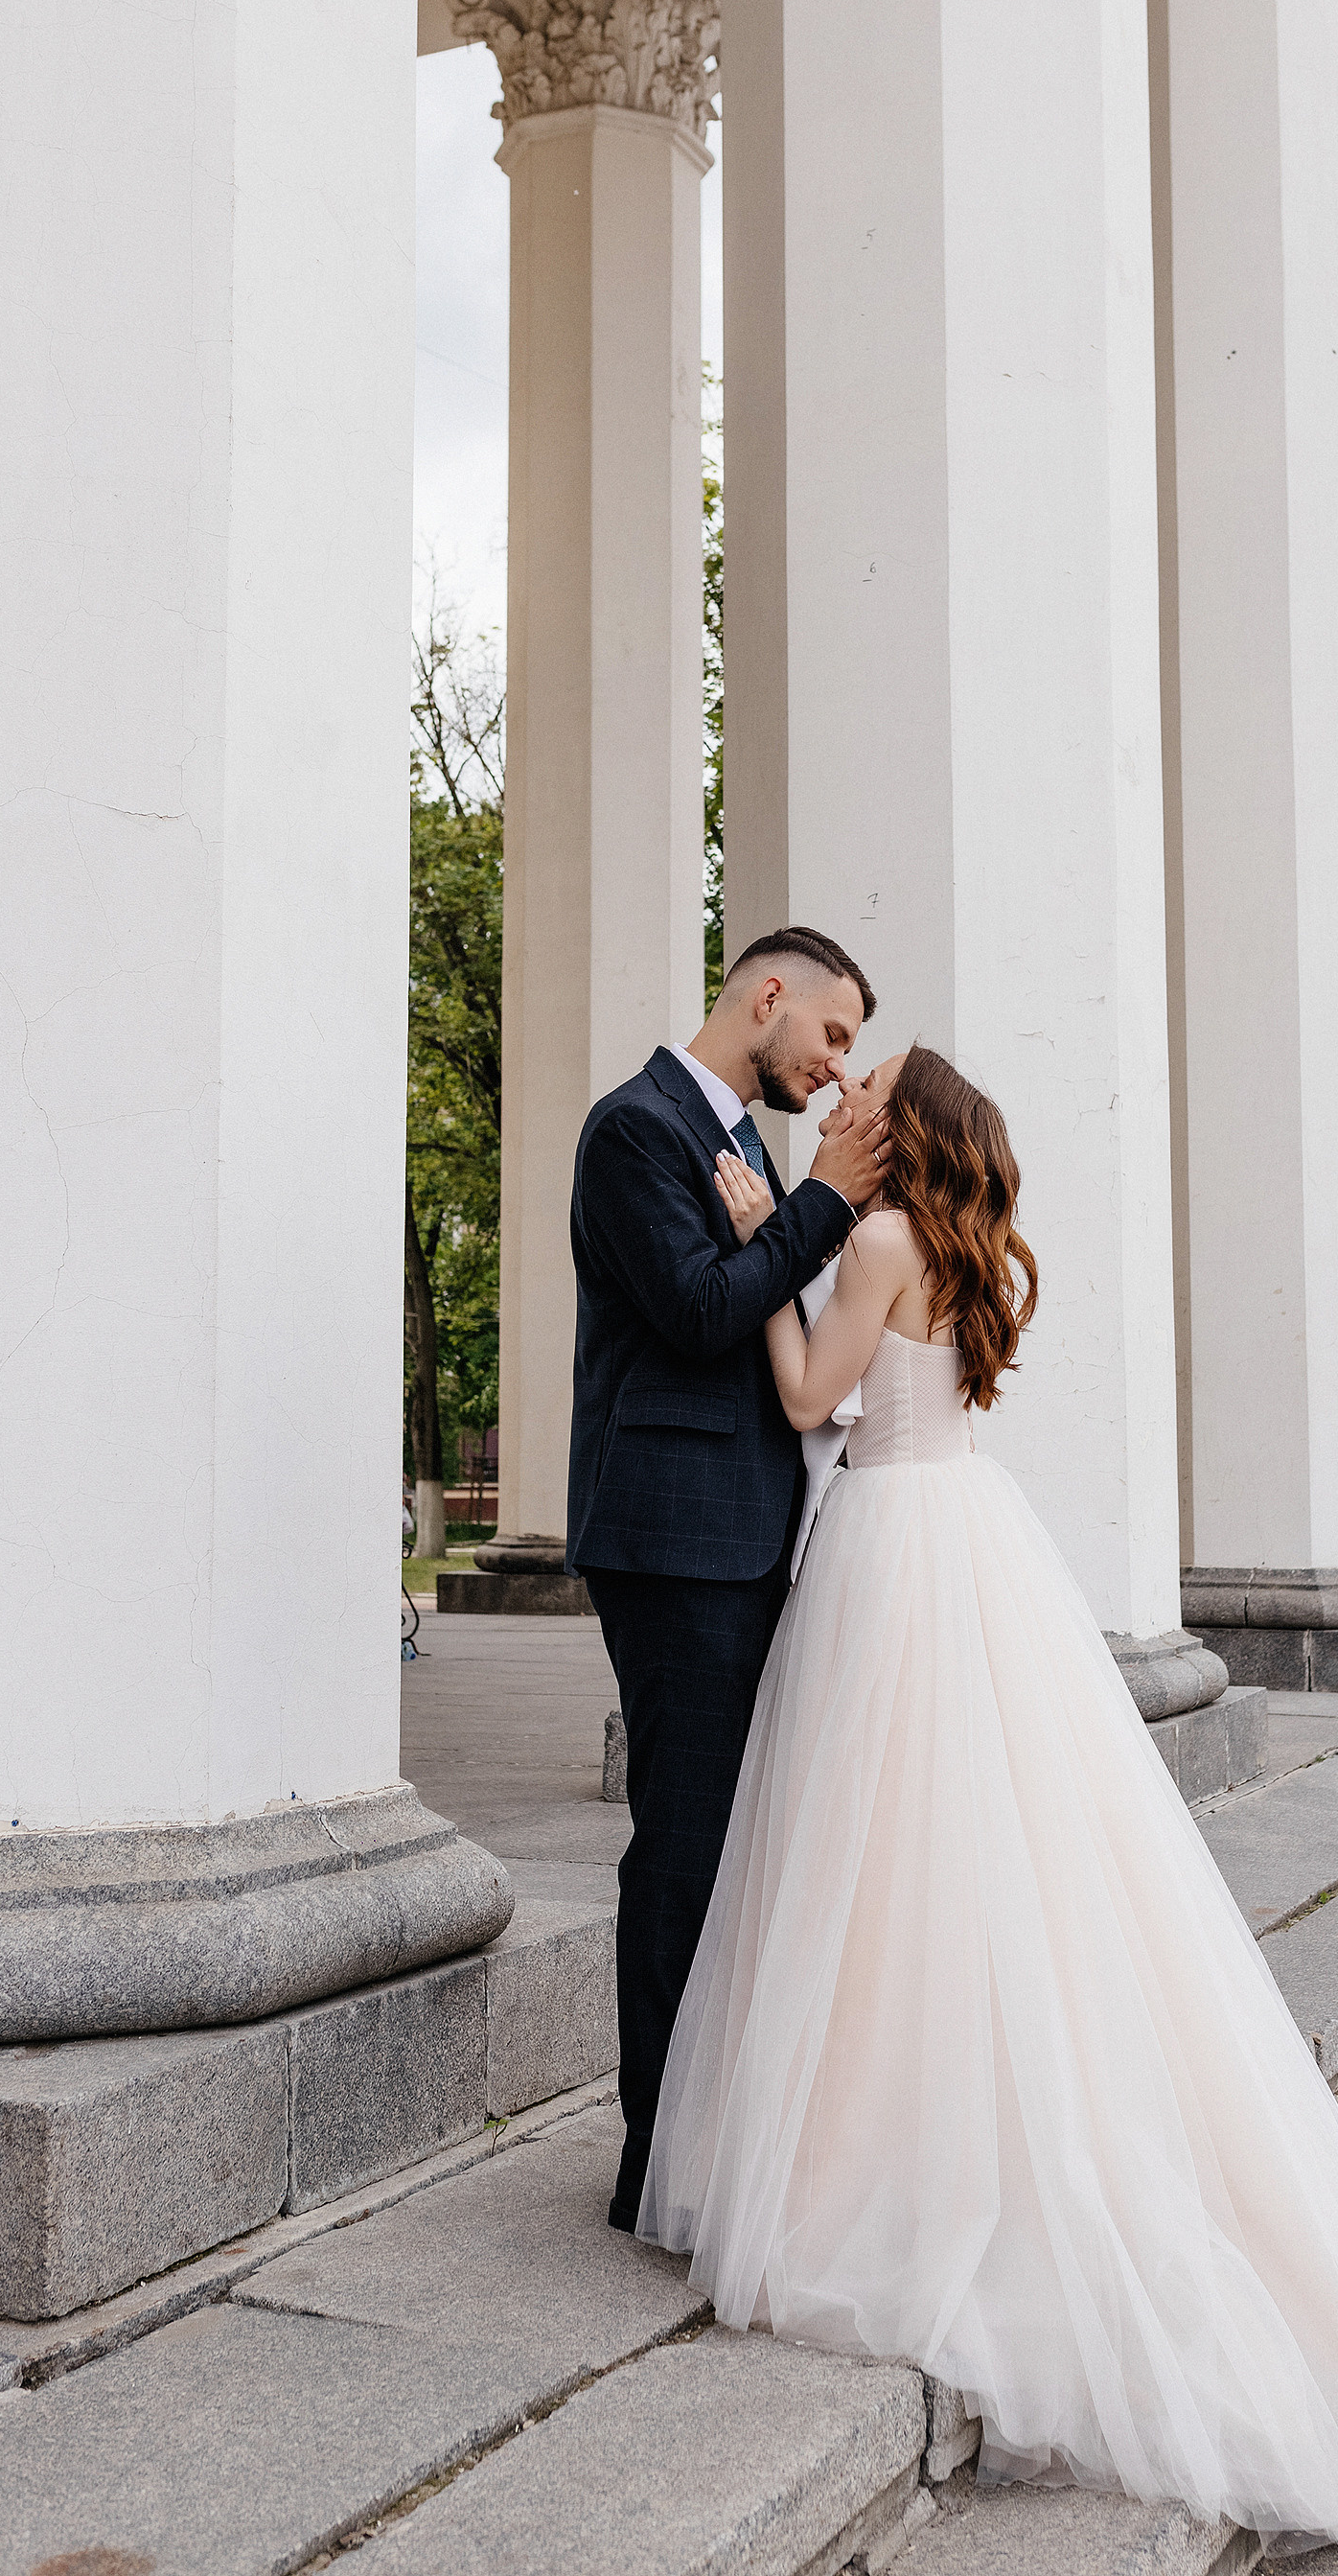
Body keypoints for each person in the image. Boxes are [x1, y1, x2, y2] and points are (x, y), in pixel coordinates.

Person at [636, 1046, 1338, 2556]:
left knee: (881, 1856)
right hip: (973, 1532)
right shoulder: (963, 1250)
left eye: (867, 1087)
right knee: (971, 1851)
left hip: (891, 1550)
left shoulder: (879, 1240)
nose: (843, 1097)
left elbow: (808, 1399)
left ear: (903, 1130)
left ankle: (875, 2143)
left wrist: (764, 1257)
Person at [566, 927, 888, 2233]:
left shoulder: (744, 1139)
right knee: (685, 1848)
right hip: (673, 1540)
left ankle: (715, 2138)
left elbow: (770, 1315)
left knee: (734, 1849)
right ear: (768, 997)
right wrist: (831, 1203)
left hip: (747, 1534)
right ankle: (659, 2169)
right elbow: (703, 1309)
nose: (839, 1065)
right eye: (832, 1033)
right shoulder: (634, 1129)